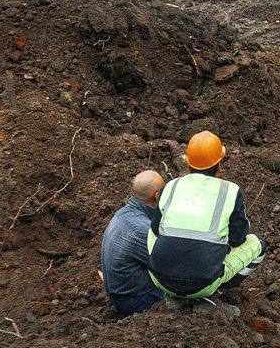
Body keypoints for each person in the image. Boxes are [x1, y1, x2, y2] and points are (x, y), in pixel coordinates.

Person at [147, 131, 265, 313]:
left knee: (153, 231)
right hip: (203, 284)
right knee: (258, 244)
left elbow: (156, 229)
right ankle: (211, 295)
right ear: (219, 165)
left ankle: (174, 297)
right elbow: (238, 240)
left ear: (188, 162)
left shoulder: (171, 186)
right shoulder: (230, 191)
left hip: (160, 279)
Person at [100, 170, 166, 316]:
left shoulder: (123, 214)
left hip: (122, 294)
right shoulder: (142, 230)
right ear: (157, 196)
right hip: (137, 300)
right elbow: (168, 265)